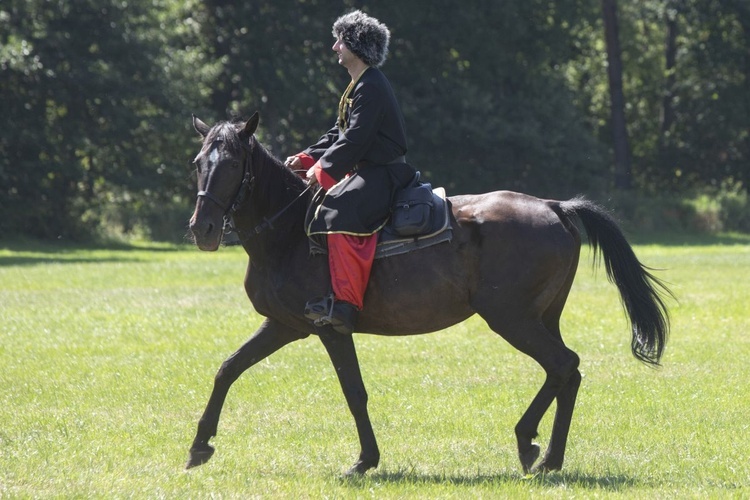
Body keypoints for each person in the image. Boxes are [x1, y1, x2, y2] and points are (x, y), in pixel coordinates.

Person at [285, 10, 416, 335]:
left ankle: (345, 305)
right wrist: (306, 158)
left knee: (336, 210)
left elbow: (357, 139)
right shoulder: (359, 85)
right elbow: (339, 133)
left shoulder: (370, 86)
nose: (334, 47)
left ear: (355, 45)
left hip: (383, 176)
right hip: (368, 173)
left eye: (340, 40)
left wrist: (322, 171)